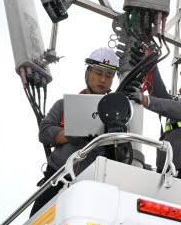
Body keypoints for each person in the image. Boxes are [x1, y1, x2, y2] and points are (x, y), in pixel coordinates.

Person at [32, 47, 119, 213]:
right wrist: (71, 134)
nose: (103, 79)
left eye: (109, 76)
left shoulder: (116, 114)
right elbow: (44, 132)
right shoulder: (64, 105)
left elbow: (121, 151)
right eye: (98, 73)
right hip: (56, 178)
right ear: (87, 73)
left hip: (92, 185)